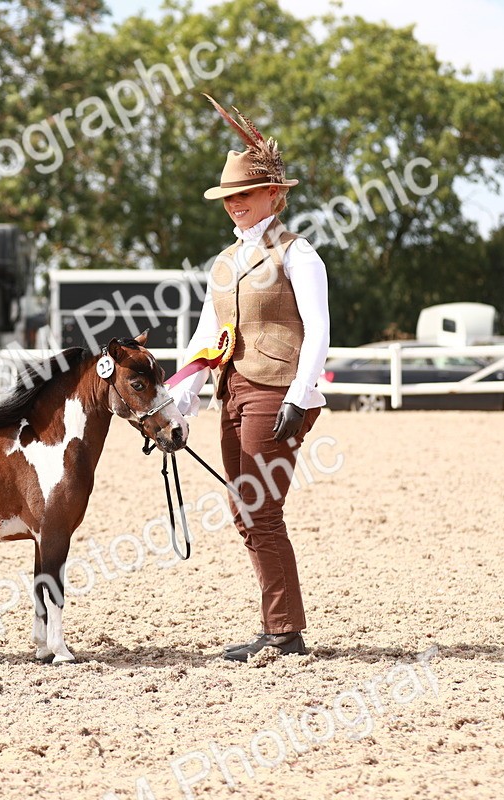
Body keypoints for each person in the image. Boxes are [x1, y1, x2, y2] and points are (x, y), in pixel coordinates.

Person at [168, 99, 330, 662]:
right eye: (227, 198)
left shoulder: (299, 255)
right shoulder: (223, 263)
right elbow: (205, 335)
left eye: (244, 195)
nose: (234, 205)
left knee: (260, 509)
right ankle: (278, 626)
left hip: (276, 393)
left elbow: (318, 331)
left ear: (273, 195)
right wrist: (178, 397)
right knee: (244, 511)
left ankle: (284, 632)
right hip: (232, 391)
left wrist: (300, 393)